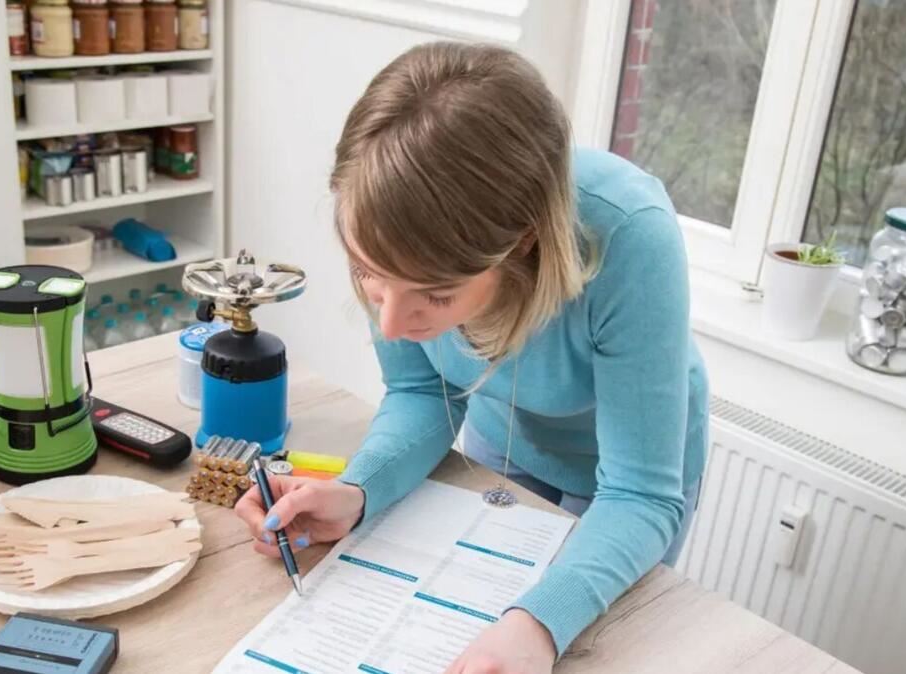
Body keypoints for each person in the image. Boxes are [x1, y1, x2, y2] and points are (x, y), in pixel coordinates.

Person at [235, 41, 708, 673]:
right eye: (370, 274)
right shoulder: (388, 220)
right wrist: (356, 490)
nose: (391, 324)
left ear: (523, 243)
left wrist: (539, 624)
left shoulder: (631, 234)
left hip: (628, 478)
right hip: (503, 431)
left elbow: (641, 493)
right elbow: (421, 394)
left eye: (435, 295)